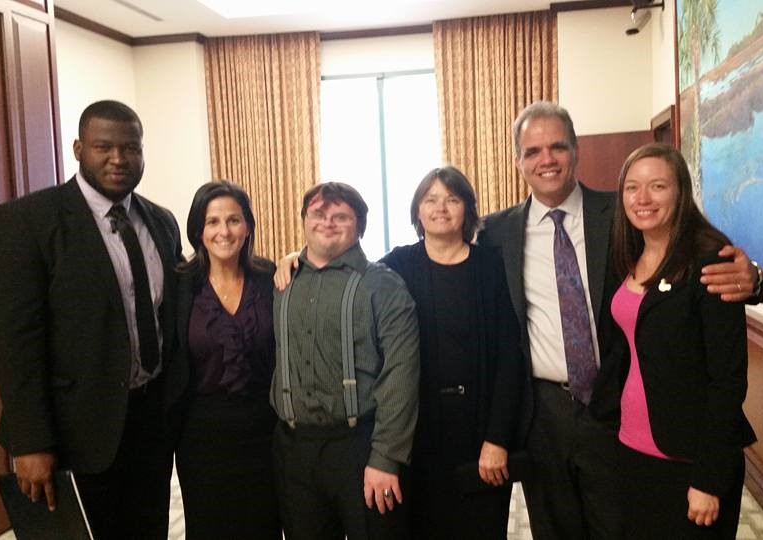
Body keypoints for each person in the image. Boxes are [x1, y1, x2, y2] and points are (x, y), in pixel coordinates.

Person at [477, 101, 763, 539]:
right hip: (542, 414)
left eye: (557, 146)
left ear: (575, 152)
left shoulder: (624, 213)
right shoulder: (495, 232)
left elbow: (689, 254)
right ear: (518, 161)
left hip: (614, 408)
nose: (546, 159)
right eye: (532, 151)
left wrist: (753, 279)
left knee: (621, 526)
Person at [0, 100, 185, 538]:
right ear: (79, 149)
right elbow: (15, 341)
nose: (118, 158)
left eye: (130, 148)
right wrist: (31, 442)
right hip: (74, 431)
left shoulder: (161, 222)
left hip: (149, 424)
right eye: (103, 147)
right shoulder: (28, 222)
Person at [603, 143, 756, 539]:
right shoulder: (630, 252)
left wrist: (708, 478)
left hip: (688, 456)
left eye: (657, 186)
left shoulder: (711, 261)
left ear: (681, 192)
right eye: (631, 188)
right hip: (631, 445)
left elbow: (728, 380)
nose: (642, 198)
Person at [378, 167, 523, 539]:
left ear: (467, 210)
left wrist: (498, 437)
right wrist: (296, 256)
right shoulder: (397, 265)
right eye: (431, 199)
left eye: (452, 199)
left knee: (479, 527)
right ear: (417, 211)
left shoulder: (492, 266)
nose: (441, 207)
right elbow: (347, 274)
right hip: (418, 432)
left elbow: (511, 355)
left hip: (478, 431)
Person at [270, 182, 420, 540]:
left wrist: (386, 458)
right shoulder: (280, 281)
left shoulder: (383, 285)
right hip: (294, 450)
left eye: (341, 216)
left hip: (360, 447)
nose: (328, 222)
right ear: (304, 220)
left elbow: (401, 372)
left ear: (360, 227)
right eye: (318, 214)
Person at [174, 181, 281, 539]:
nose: (224, 231)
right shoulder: (179, 286)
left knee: (264, 524)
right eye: (213, 222)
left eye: (233, 220)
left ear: (248, 226)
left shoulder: (271, 278)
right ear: (199, 231)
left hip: (266, 431)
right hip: (202, 436)